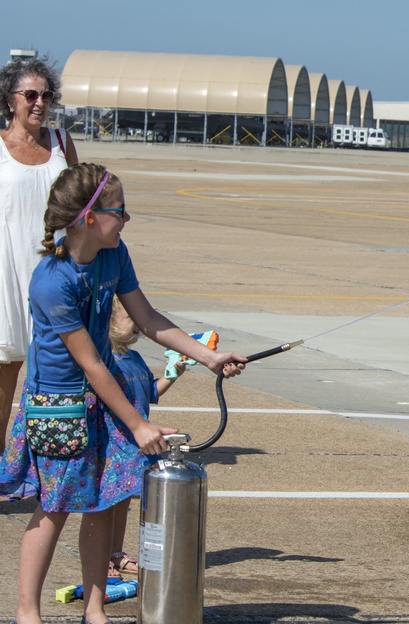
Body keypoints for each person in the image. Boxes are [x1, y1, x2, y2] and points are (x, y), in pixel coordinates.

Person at [0, 163, 245, 624]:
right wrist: (138, 424)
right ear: (90, 218)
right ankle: (26, 612)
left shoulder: (115, 254)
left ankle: (95, 610)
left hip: (102, 395)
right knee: (54, 508)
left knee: (102, 504)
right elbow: (89, 363)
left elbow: (148, 319)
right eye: (120, 210)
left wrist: (207, 356)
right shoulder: (52, 280)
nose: (127, 218)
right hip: (60, 405)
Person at [1, 57, 79, 453]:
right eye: (30, 94)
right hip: (5, 274)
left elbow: (82, 205)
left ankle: (45, 469)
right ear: (10, 99)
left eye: (46, 95)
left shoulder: (63, 143)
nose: (39, 103)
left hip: (54, 276)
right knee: (4, 377)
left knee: (54, 381)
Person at [105, 296, 189, 578]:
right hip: (114, 441)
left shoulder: (134, 358)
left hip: (137, 444)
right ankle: (102, 556)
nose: (139, 325)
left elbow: (151, 392)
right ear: (110, 321)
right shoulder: (104, 359)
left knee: (124, 502)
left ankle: (115, 553)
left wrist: (172, 374)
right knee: (107, 502)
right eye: (131, 319)